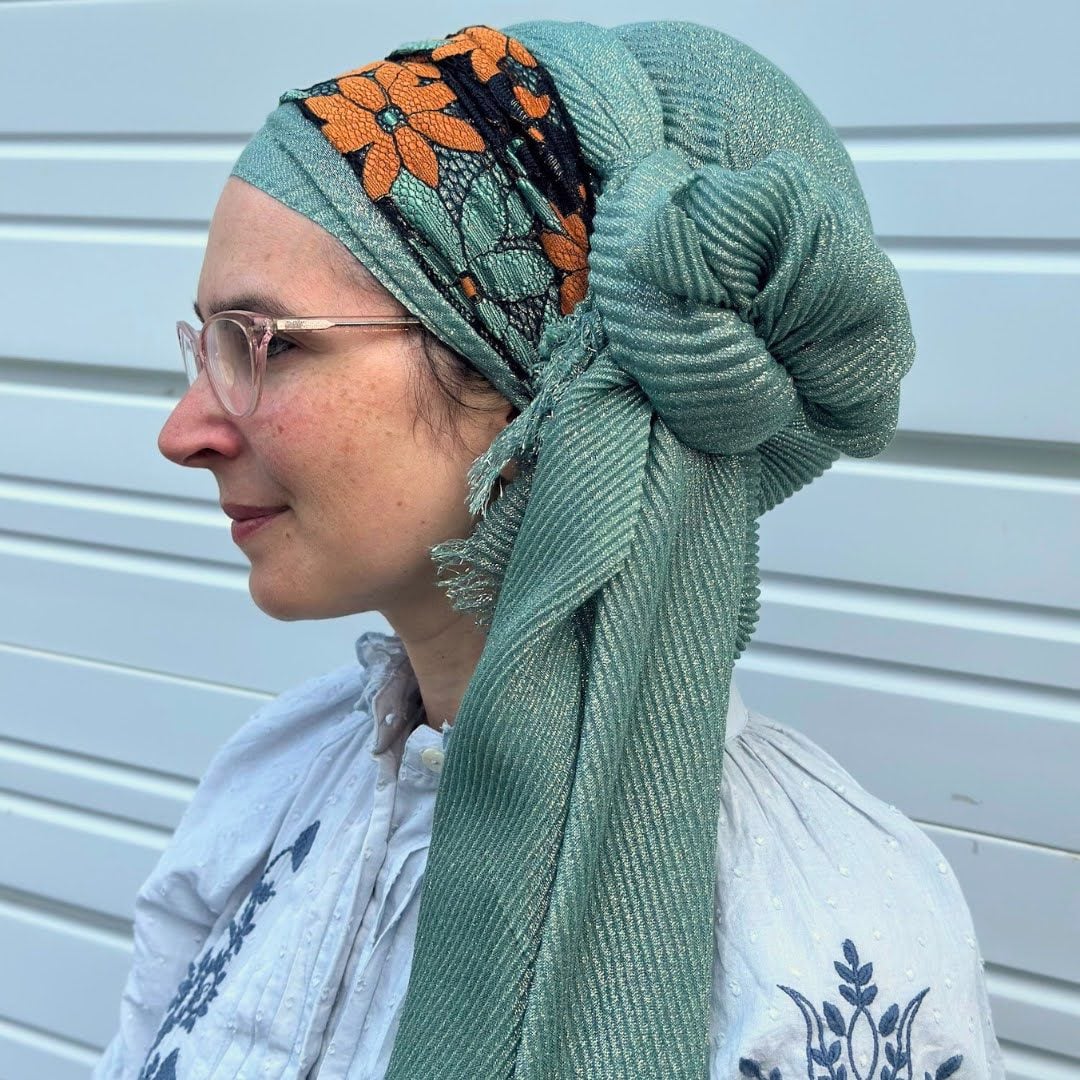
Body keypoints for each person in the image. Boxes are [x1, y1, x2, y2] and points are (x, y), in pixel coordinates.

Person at [94, 19, 1005, 1080]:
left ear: (530, 381)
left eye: (266, 344)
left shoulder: (823, 945)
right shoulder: (274, 782)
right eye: (205, 343)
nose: (184, 431)